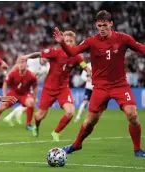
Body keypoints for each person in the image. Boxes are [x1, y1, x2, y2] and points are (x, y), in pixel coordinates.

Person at [53, 10, 145, 157]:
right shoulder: (91, 41)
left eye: (104, 25)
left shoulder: (123, 39)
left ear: (111, 24)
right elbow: (73, 52)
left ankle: (137, 149)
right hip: (100, 87)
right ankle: (77, 145)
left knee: (132, 115)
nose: (102, 28)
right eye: (99, 25)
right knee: (90, 122)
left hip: (120, 85)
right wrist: (62, 43)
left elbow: (141, 49)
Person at [24, 31, 91, 142]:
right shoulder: (55, 52)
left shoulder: (77, 56)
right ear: (62, 41)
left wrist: (89, 71)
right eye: (66, 41)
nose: (69, 43)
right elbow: (39, 54)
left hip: (63, 88)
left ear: (74, 42)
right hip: (49, 89)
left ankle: (56, 132)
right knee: (40, 115)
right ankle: (36, 125)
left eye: (71, 41)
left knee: (70, 112)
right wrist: (26, 56)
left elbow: (84, 66)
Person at [0, 57, 38, 130]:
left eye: (23, 62)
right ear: (17, 64)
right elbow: (5, 84)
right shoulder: (13, 74)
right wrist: (5, 97)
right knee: (0, 108)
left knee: (31, 102)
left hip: (24, 94)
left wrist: (33, 97)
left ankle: (28, 125)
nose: (21, 64)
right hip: (13, 94)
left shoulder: (31, 75)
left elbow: (35, 86)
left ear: (26, 64)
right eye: (20, 62)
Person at [3, 56, 50, 126]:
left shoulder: (48, 66)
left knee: (32, 103)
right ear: (40, 57)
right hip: (24, 83)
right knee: (31, 103)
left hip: (32, 84)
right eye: (44, 57)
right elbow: (18, 64)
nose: (45, 59)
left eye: (47, 58)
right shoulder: (33, 61)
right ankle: (14, 114)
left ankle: (13, 114)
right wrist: (9, 74)